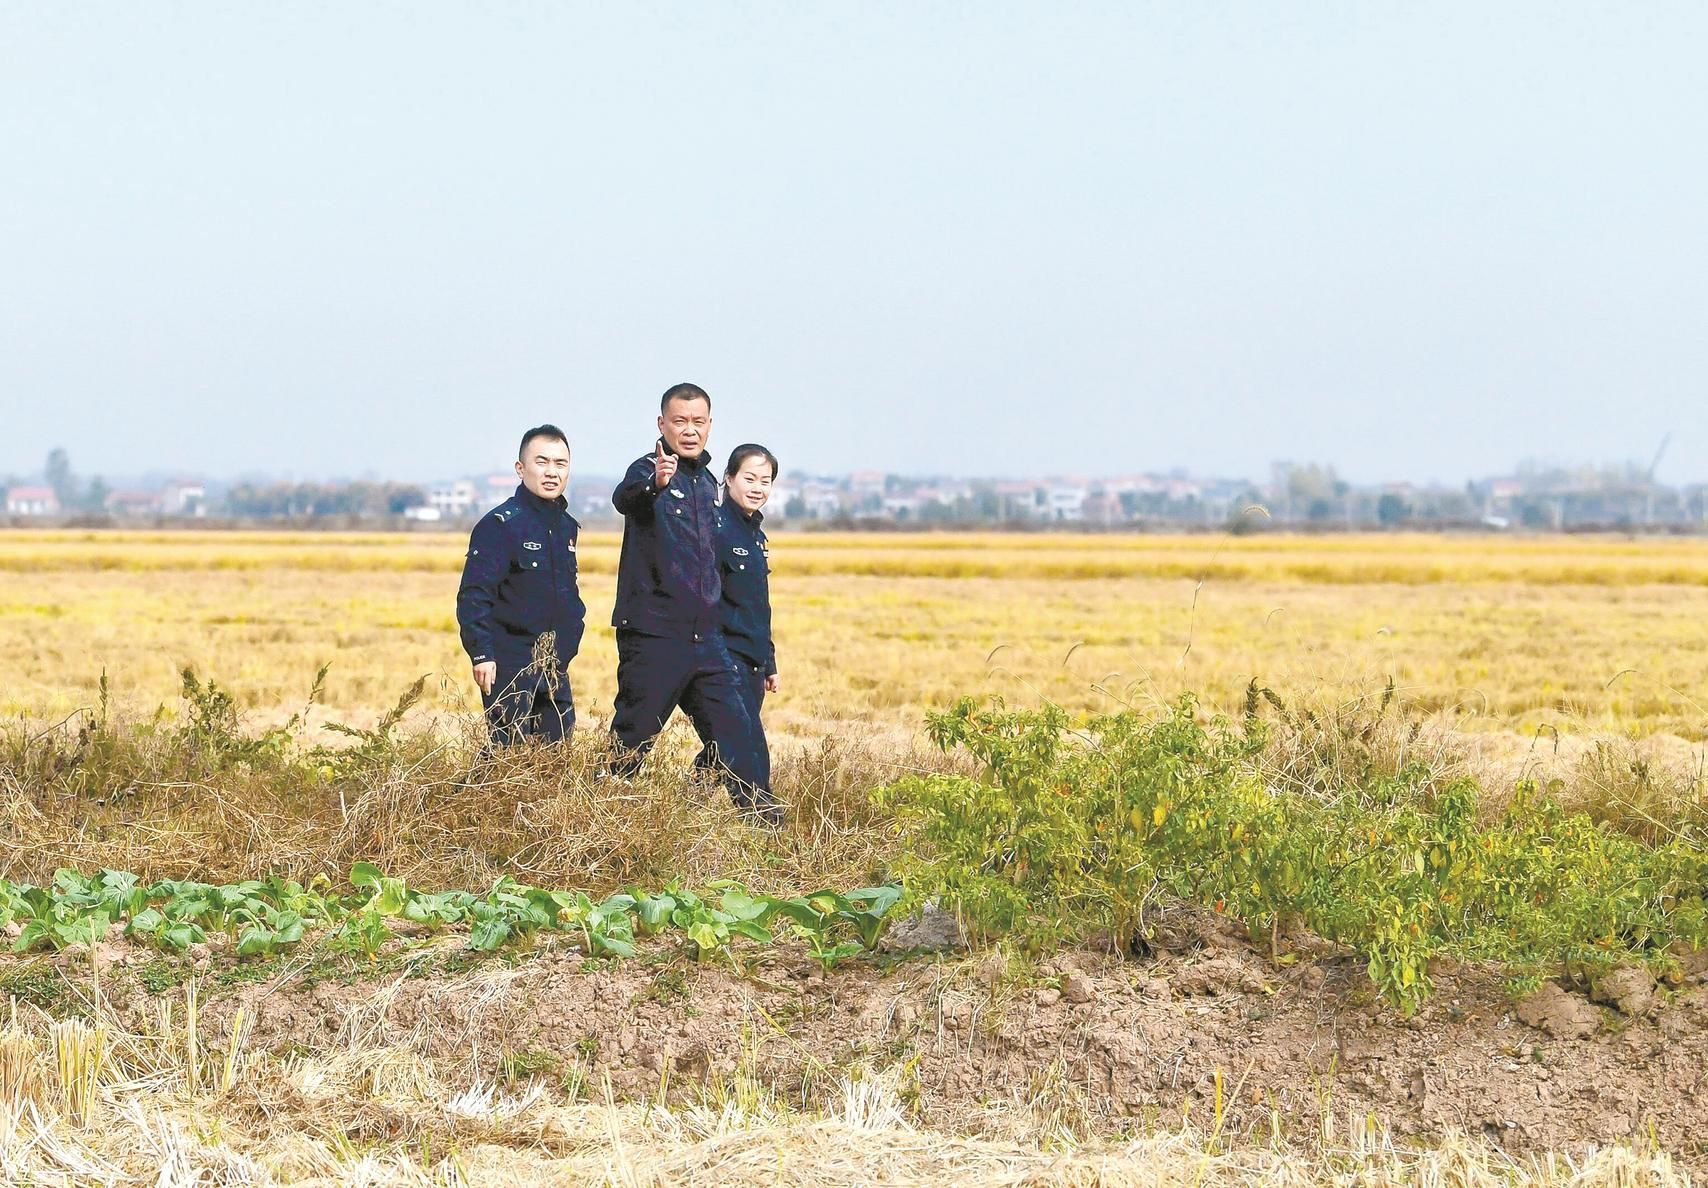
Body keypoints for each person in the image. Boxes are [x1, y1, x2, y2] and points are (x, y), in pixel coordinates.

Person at [608, 383, 777, 819]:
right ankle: (598, 814)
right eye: (679, 421)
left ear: (709, 426)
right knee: (633, 736)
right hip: (654, 634)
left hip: (707, 639)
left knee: (738, 734)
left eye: (697, 422)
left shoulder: (706, 483)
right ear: (662, 424)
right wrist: (656, 483)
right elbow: (625, 498)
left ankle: (765, 825)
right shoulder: (648, 469)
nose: (689, 430)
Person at [456, 424, 586, 746]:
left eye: (560, 464)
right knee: (508, 758)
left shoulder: (567, 527)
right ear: (521, 468)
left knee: (553, 759)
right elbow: (474, 595)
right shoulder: (500, 525)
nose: (551, 472)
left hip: (553, 663)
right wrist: (482, 654)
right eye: (541, 462)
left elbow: (569, 595)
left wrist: (568, 646)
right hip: (508, 661)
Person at [695, 443, 779, 788]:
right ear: (728, 478)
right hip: (726, 658)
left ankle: (686, 806)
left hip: (753, 659)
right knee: (748, 749)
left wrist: (769, 662)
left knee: (722, 746)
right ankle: (763, 822)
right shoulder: (714, 529)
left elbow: (759, 605)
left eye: (766, 480)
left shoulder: (756, 535)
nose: (758, 487)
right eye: (750, 478)